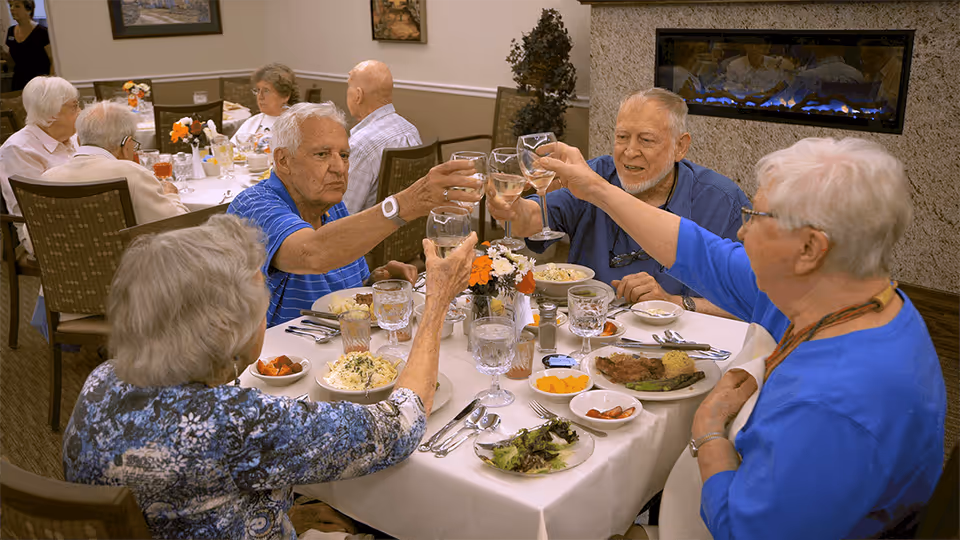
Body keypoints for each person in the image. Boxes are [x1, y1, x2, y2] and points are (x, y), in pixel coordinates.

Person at [541, 137, 946, 540]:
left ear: (809, 248)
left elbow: (742, 530)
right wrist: (594, 187)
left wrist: (709, 430)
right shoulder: (842, 293)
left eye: (755, 217)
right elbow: (700, 252)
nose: (741, 229)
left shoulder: (834, 406)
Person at [63, 213, 479, 539]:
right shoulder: (235, 422)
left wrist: (269, 516)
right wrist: (437, 300)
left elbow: (180, 500)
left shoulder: (101, 381)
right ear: (227, 330)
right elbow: (400, 425)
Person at [488, 88, 750, 318]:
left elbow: (760, 303)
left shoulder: (722, 201)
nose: (630, 151)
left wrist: (674, 303)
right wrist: (511, 208)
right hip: (592, 334)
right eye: (622, 137)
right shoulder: (594, 175)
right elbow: (531, 219)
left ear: (680, 147)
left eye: (646, 140)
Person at [228, 101, 481, 327]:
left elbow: (346, 291)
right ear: (283, 161)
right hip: (279, 364)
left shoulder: (331, 205)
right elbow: (312, 253)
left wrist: (376, 281)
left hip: (340, 357)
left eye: (344, 155)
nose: (339, 168)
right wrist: (408, 202)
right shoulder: (253, 206)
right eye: (322, 154)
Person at [42, 101, 188, 223]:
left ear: (79, 140)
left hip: (63, 258)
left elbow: (32, 242)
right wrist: (171, 196)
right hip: (127, 258)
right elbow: (177, 226)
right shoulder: (131, 174)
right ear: (127, 144)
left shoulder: (48, 179)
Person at [0, 75, 78, 254]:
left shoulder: (72, 137)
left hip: (83, 215)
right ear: (52, 113)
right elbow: (37, 209)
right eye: (74, 107)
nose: (80, 112)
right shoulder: (19, 149)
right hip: (43, 230)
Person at [341, 60, 422, 215]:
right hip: (404, 231)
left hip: (368, 235)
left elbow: (344, 212)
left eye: (348, 87)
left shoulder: (361, 144)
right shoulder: (411, 131)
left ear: (358, 95)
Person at [230, 62, 299, 148]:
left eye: (266, 91)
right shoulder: (253, 121)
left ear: (285, 95)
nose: (260, 96)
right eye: (258, 90)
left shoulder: (297, 125)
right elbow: (232, 148)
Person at [2, 0, 53, 91]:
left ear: (28, 10)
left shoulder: (42, 32)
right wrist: (3, 54)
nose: (12, 9)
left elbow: (52, 60)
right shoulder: (10, 31)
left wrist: (49, 84)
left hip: (39, 83)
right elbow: (12, 63)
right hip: (19, 82)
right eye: (11, 6)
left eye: (17, 6)